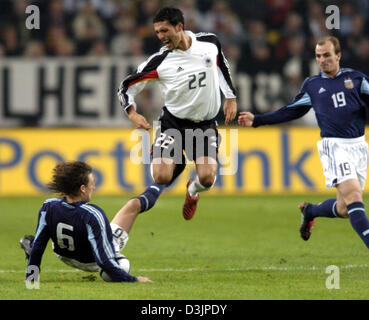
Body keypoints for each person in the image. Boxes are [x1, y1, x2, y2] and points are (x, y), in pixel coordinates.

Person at [238, 36, 369, 247]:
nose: (322, 60)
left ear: (338, 55)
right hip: (335, 147)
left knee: (345, 208)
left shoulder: (357, 79)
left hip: (359, 146)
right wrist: (257, 120)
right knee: (354, 197)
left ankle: (311, 211)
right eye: (318, 56)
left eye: (327, 55)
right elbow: (290, 111)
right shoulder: (313, 85)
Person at [117, 7, 237, 222]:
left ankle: (192, 190)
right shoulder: (160, 61)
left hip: (204, 124)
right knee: (161, 176)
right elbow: (126, 86)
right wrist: (132, 113)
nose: (161, 37)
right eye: (157, 33)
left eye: (165, 31)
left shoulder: (209, 43)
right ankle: (176, 161)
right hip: (173, 123)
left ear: (179, 27)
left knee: (207, 179)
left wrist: (230, 97)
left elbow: (222, 64)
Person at [20, 161, 152, 283]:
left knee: (37, 242)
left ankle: (29, 243)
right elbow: (104, 261)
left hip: (63, 255)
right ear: (83, 188)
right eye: (92, 183)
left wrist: (31, 278)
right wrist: (134, 280)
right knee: (134, 206)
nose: (94, 187)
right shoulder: (92, 214)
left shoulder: (48, 206)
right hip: (92, 262)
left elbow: (38, 247)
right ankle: (160, 184)